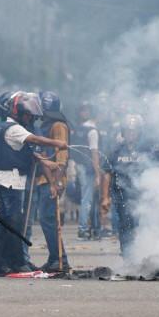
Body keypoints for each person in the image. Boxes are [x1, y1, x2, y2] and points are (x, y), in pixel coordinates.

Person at [0, 92, 68, 275]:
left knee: (2, 222)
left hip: (1, 179)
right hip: (13, 182)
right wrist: (57, 143)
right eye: (26, 114)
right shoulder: (15, 128)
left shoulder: (1, 127)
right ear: (17, 112)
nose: (29, 118)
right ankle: (19, 262)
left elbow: (21, 151)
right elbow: (35, 140)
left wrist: (44, 161)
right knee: (15, 224)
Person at [101, 114, 145, 262]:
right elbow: (107, 174)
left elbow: (154, 172)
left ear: (140, 132)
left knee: (140, 227)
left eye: (134, 130)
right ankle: (128, 259)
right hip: (121, 196)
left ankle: (143, 255)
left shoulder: (145, 150)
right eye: (128, 130)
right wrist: (105, 197)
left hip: (141, 196)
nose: (131, 133)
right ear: (123, 131)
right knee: (125, 227)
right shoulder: (115, 150)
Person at [35, 91, 71, 271]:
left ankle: (60, 259)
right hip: (43, 179)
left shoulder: (58, 126)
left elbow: (62, 158)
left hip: (52, 181)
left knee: (48, 219)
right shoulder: (46, 124)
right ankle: (54, 258)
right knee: (46, 219)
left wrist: (55, 184)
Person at [71, 101, 102, 240]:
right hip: (88, 168)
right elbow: (94, 153)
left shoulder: (78, 129)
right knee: (87, 199)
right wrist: (98, 174)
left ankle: (94, 228)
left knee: (87, 198)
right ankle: (83, 229)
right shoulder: (92, 131)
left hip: (80, 166)